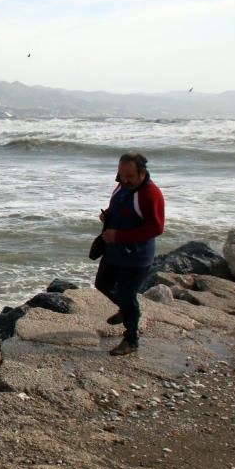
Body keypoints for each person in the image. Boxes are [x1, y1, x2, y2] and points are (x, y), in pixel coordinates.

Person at [95, 152, 165, 356]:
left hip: (137, 256)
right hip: (114, 251)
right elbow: (119, 206)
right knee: (102, 285)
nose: (124, 180)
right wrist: (107, 214)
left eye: (129, 176)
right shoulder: (123, 185)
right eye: (121, 175)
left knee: (127, 294)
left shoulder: (150, 194)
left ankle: (131, 340)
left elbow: (156, 228)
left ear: (142, 173)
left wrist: (119, 236)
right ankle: (127, 310)